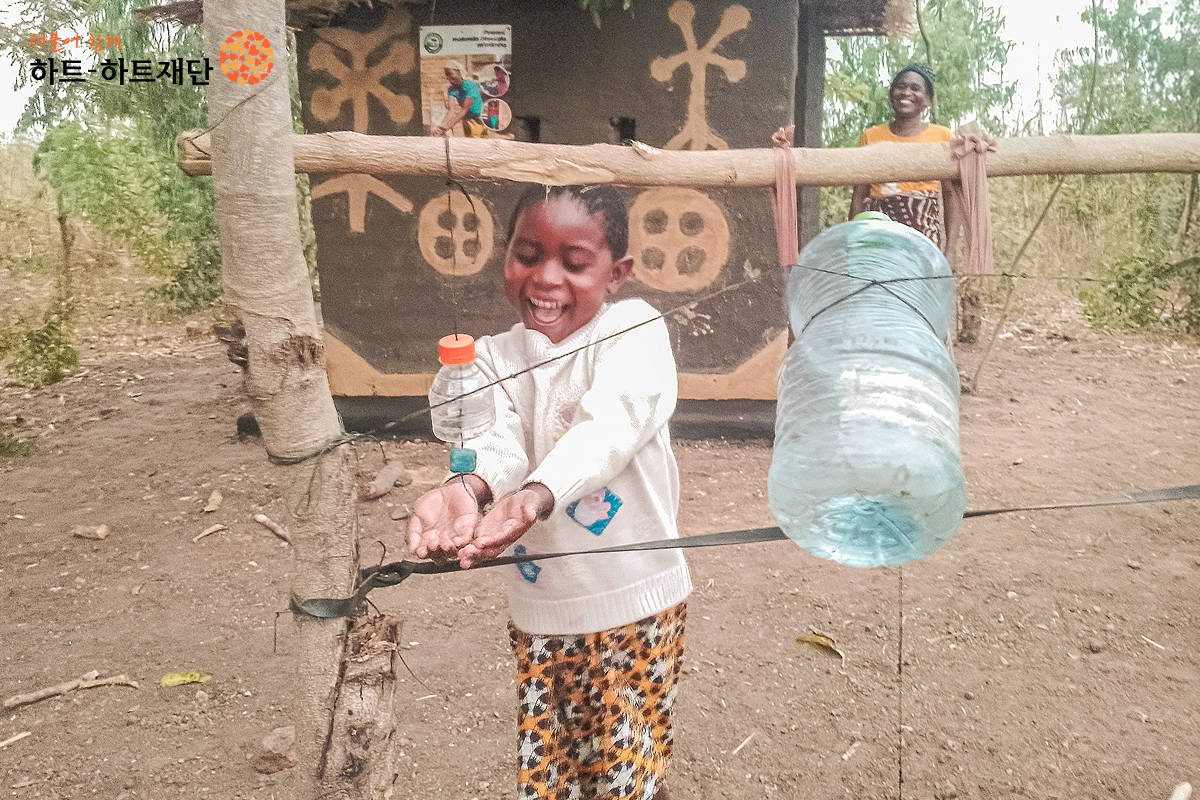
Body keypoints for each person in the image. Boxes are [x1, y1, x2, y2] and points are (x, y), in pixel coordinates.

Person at [408, 184, 692, 800]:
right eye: (528, 255)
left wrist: (535, 495)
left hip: (632, 604)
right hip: (541, 609)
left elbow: (610, 426)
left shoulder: (635, 331)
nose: (545, 278)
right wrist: (470, 485)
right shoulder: (491, 357)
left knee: (629, 778)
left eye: (575, 262)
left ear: (617, 273)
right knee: (556, 775)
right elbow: (496, 441)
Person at [848, 63, 963, 254]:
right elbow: (859, 196)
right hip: (877, 237)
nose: (906, 92)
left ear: (928, 100)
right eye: (900, 87)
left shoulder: (943, 137)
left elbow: (951, 196)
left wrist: (949, 252)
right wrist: (854, 245)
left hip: (924, 240)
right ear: (891, 94)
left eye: (915, 88)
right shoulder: (871, 136)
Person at [430, 60, 487, 137]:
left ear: (460, 73)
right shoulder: (452, 90)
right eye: (448, 78)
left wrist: (446, 126)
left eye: (453, 77)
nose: (451, 80)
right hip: (468, 120)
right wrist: (441, 127)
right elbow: (451, 111)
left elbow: (465, 109)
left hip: (481, 119)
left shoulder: (470, 85)